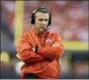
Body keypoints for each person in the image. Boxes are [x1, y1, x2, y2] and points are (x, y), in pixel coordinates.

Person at [16, 7, 64, 79]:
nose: (43, 23)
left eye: (46, 20)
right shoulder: (25, 37)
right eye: (40, 20)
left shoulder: (55, 36)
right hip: (31, 77)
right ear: (33, 21)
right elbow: (26, 56)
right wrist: (49, 56)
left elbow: (58, 52)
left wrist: (37, 50)